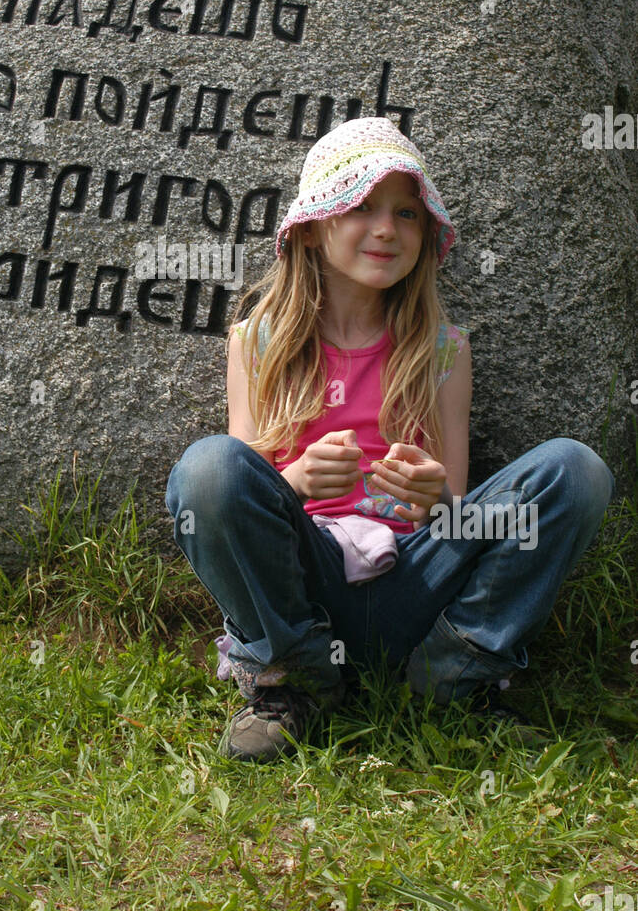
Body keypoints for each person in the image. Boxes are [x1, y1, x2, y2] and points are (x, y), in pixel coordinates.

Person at [165, 117, 615, 762]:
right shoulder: (257, 342)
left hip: (419, 589)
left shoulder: (441, 352)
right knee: (206, 468)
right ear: (316, 226)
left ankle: (456, 674)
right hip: (305, 587)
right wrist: (294, 483)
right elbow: (240, 489)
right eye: (361, 208)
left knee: (575, 470)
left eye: (407, 213)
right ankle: (294, 681)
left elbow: (456, 510)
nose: (386, 229)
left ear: (426, 235)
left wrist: (435, 499)